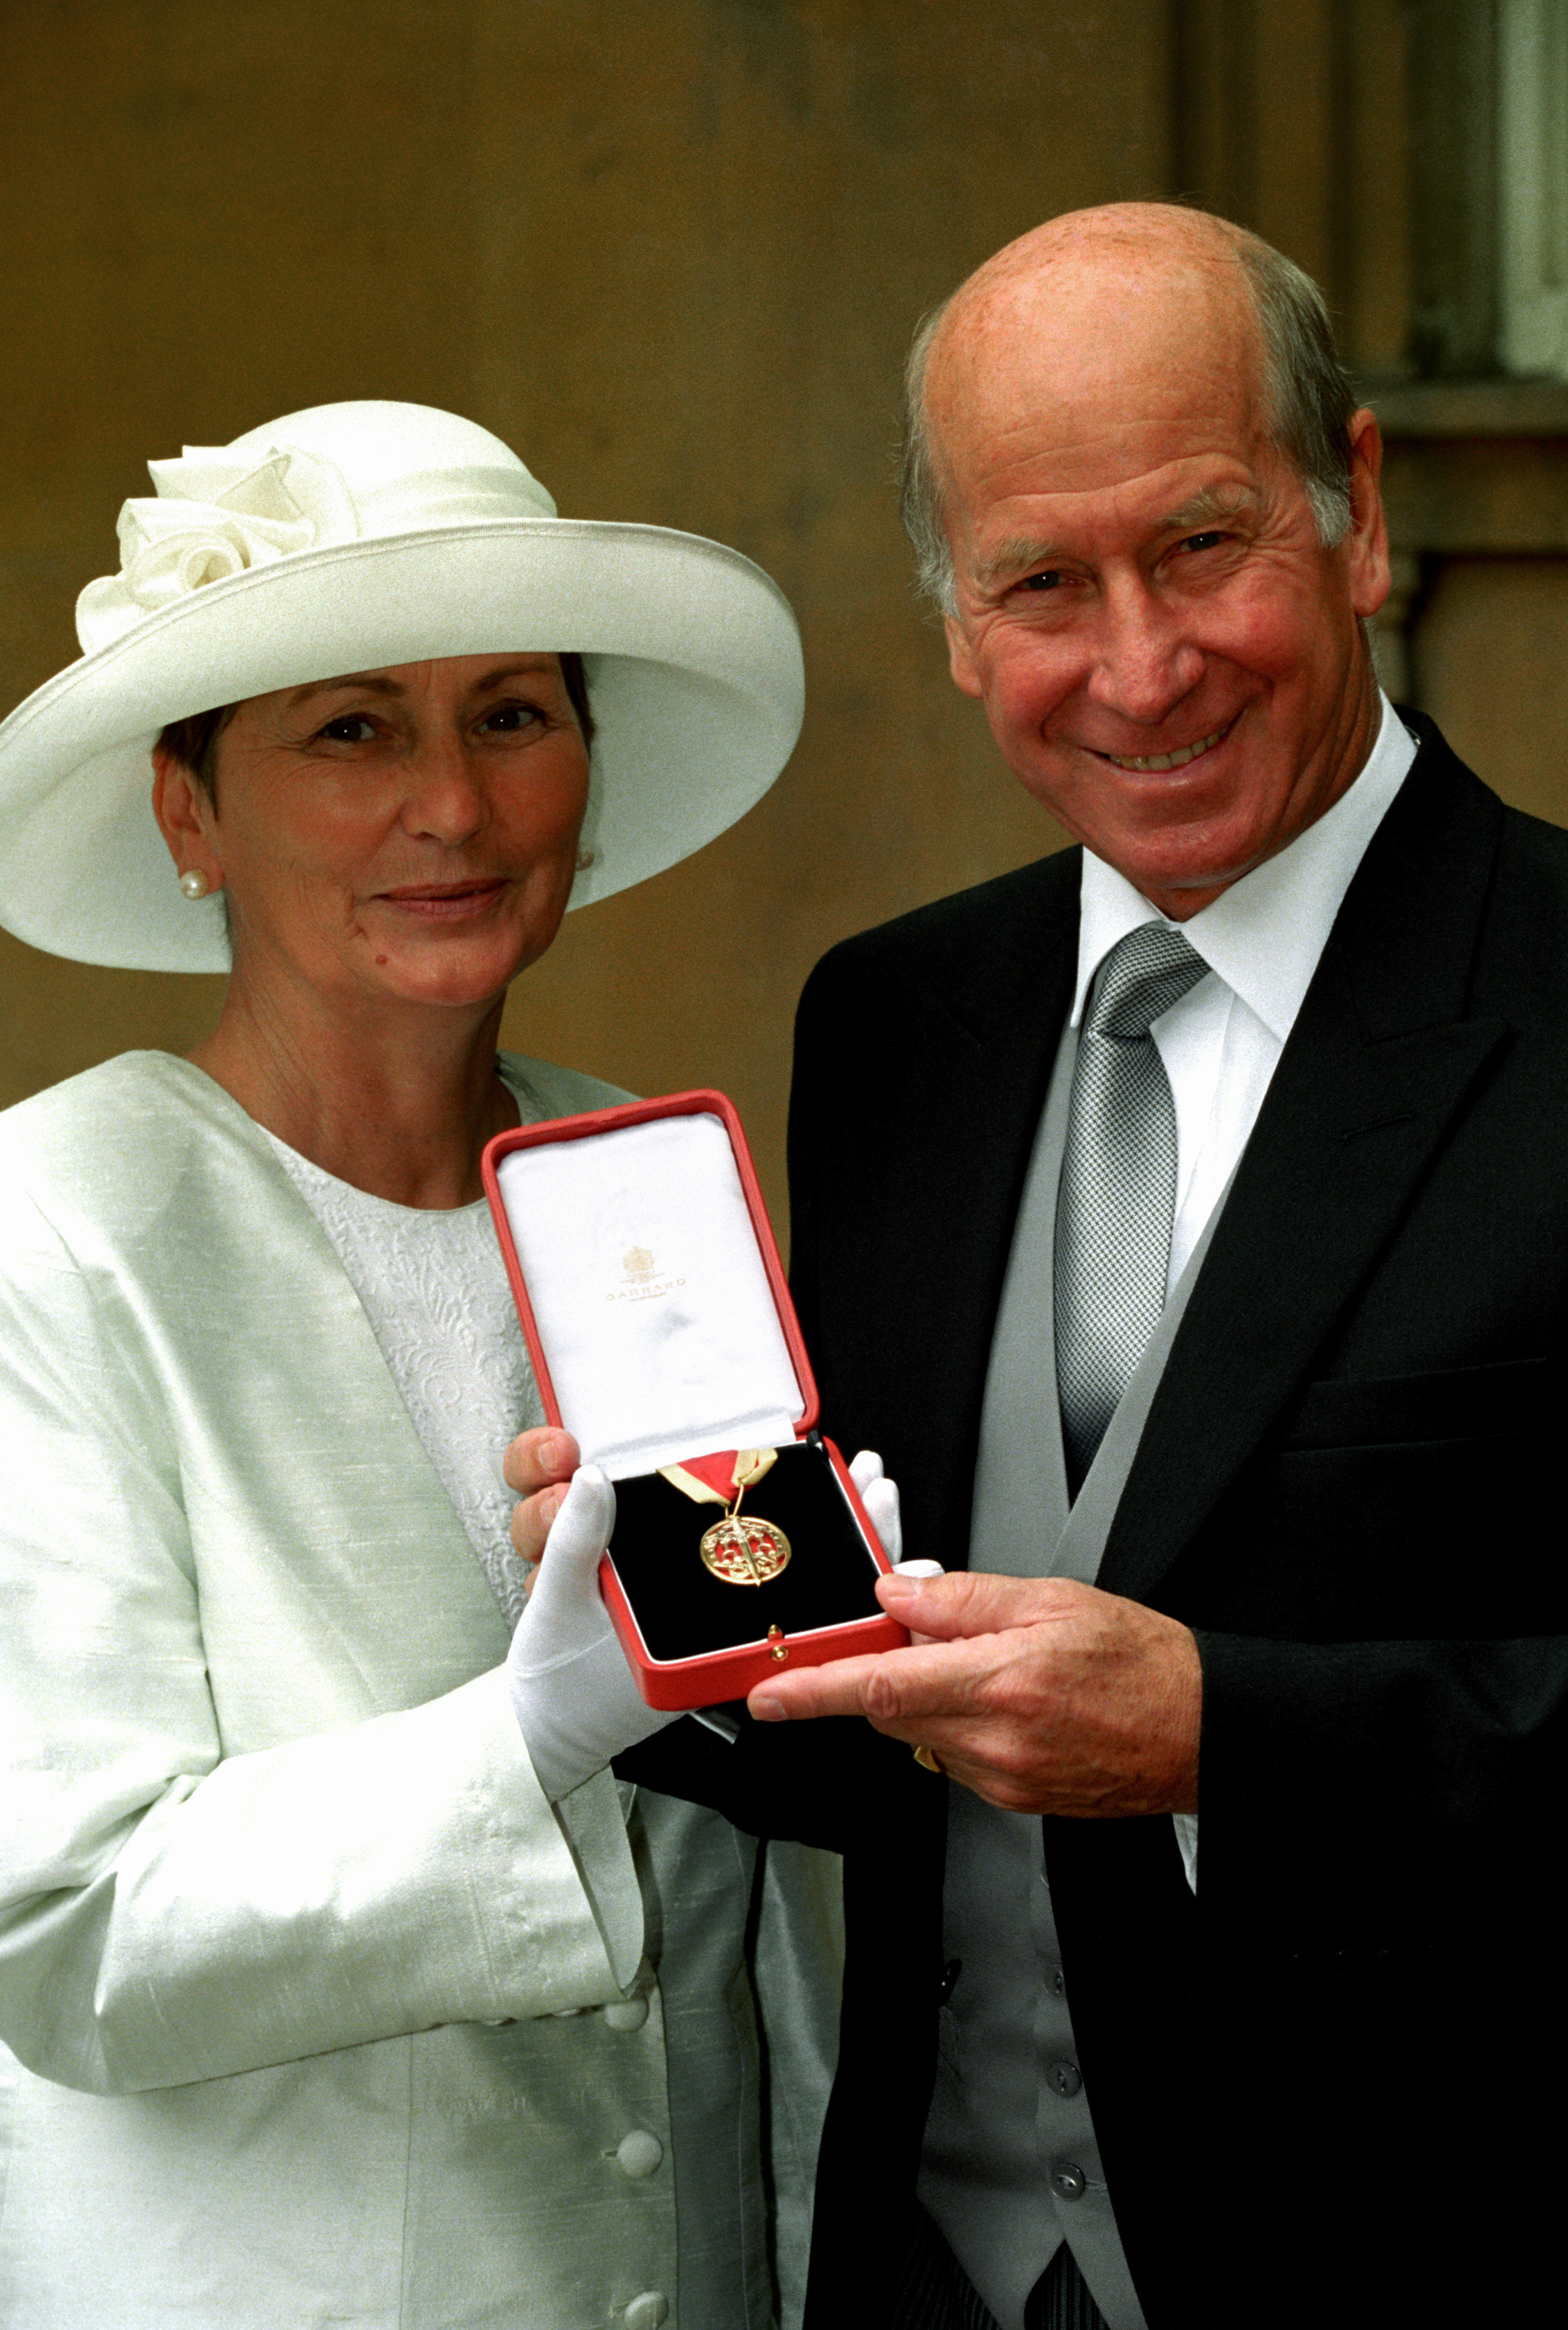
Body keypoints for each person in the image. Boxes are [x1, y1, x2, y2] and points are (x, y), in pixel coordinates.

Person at [510, 205, 1568, 2330]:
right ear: (955, 621)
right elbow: (888, 1727)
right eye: (1042, 586)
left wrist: (1220, 1737)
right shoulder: (900, 1023)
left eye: (1200, 546)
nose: (1141, 665)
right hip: (925, 2270)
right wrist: (656, 1601)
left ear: (1354, 511)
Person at [0, 398, 843, 2330]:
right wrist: (532, 1734)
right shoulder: (47, 1231)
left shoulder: (648, 1173)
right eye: (353, 727)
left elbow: (763, 1920)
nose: (452, 807)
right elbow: (67, 1932)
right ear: (187, 808)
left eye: (513, 714)